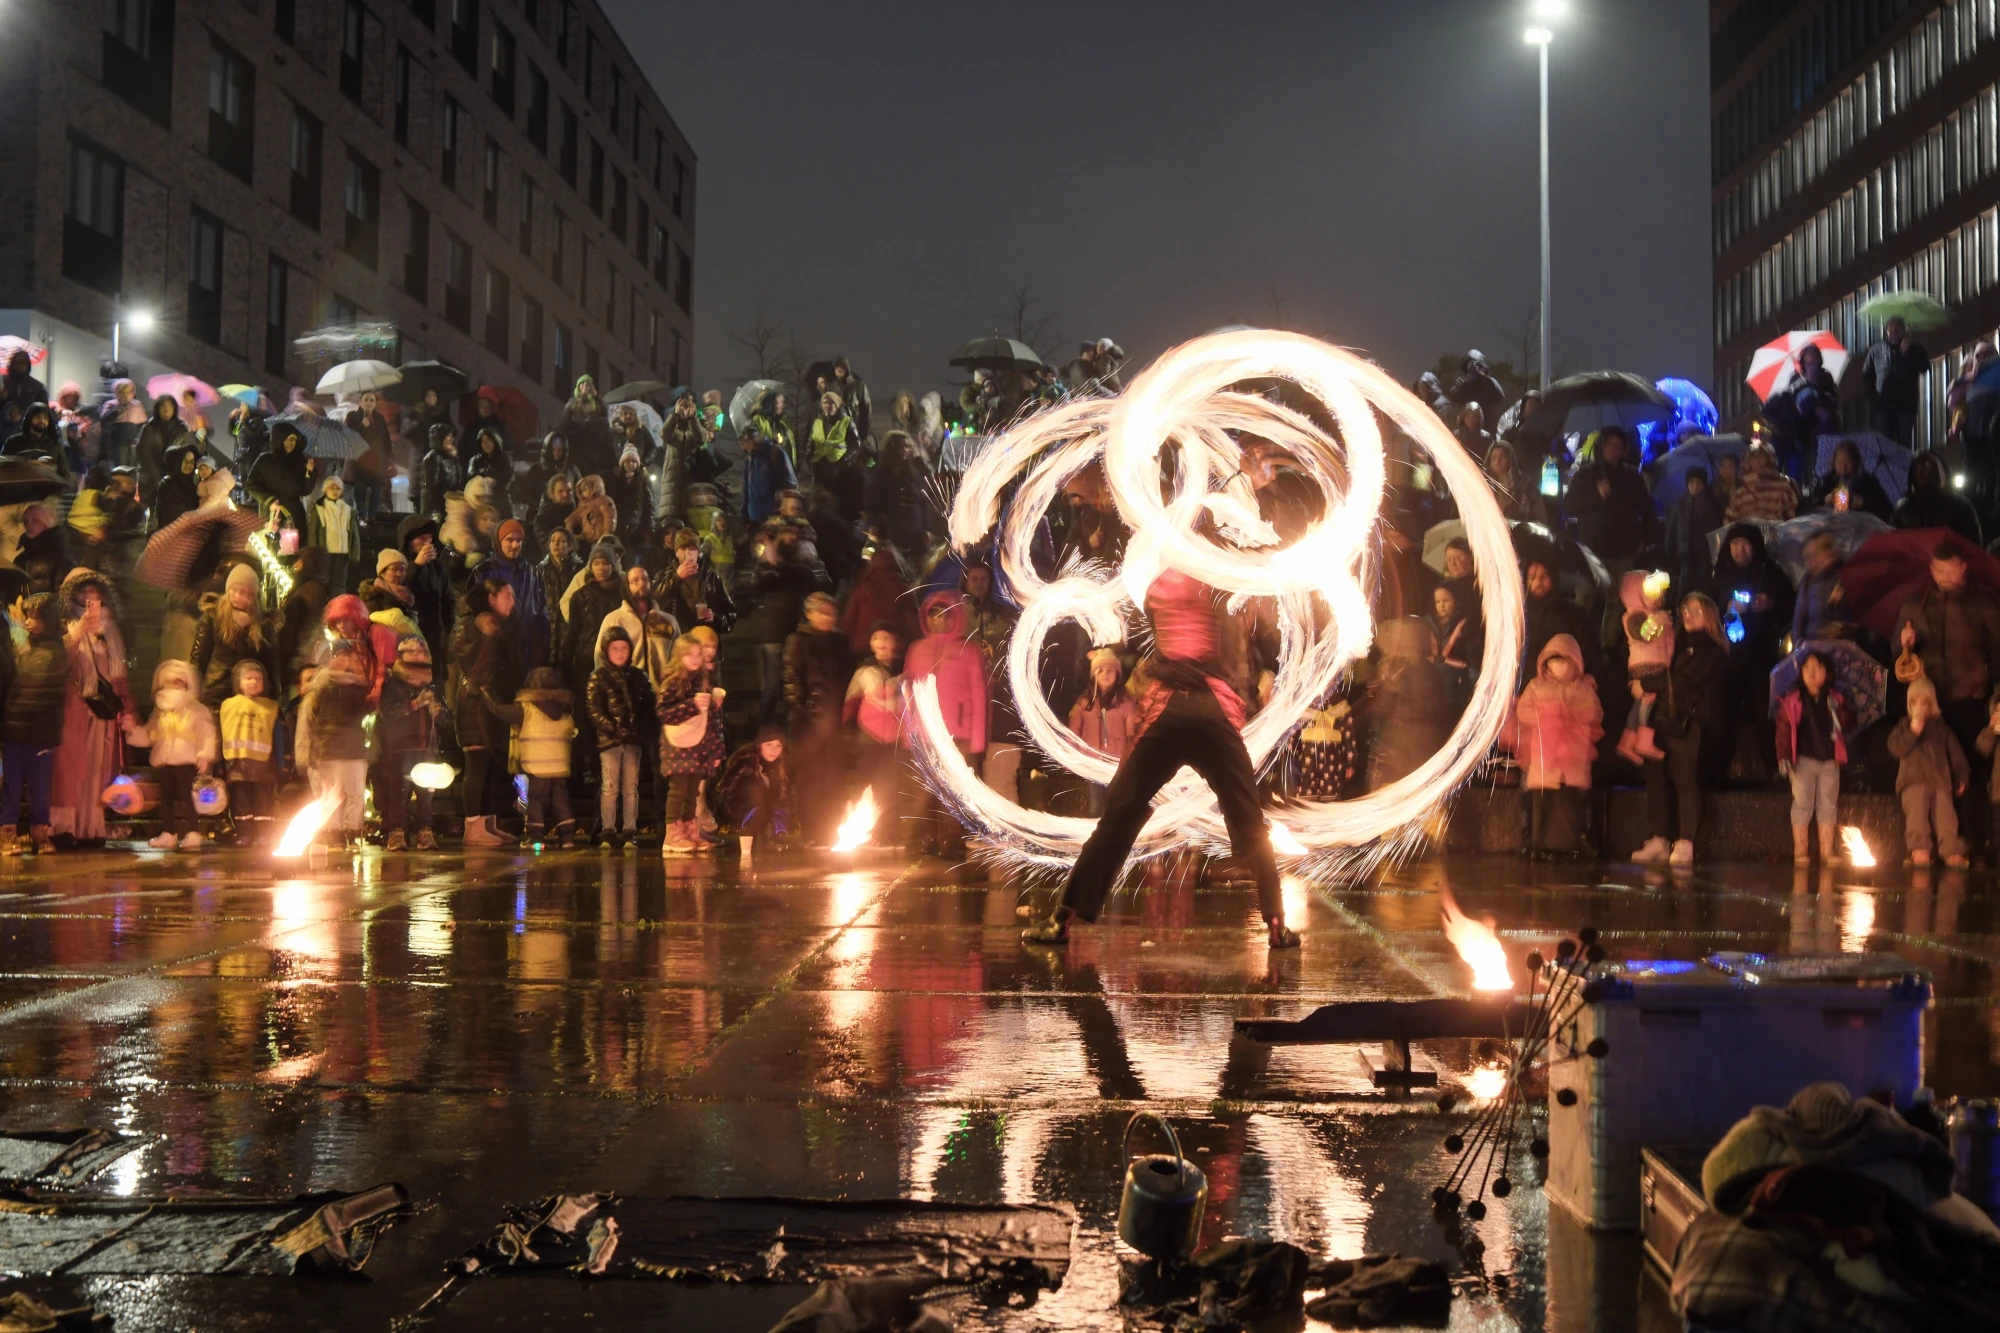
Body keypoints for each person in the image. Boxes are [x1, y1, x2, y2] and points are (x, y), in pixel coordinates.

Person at [1022, 568, 1297, 950]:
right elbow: (1234, 639)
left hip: (1174, 711)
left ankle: (1062, 920)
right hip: (1207, 711)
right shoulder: (1217, 578)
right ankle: (1277, 927)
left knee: (1118, 817)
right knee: (1249, 820)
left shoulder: (1159, 577)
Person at [1894, 541, 2000, 857]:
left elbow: (1998, 652)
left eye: (1948, 569)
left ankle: (1973, 843)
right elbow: (1898, 658)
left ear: (1963, 566)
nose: (1943, 575)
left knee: (1972, 770)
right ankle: (1938, 843)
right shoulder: (1917, 603)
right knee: (1936, 775)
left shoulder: (1983, 603)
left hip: (1970, 697)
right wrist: (1905, 644)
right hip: (1932, 704)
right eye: (1937, 569)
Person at [1632, 594, 1728, 867]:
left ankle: (1686, 840)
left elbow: (1685, 680)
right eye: (1686, 608)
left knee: (1684, 779)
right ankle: (1659, 838)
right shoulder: (1676, 642)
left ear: (1709, 616)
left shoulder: (1711, 649)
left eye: (1697, 611)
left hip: (1689, 722)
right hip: (1663, 718)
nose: (1689, 614)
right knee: (1654, 776)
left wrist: (1647, 684)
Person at [904, 589, 986, 857]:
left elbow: (979, 694)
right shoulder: (916, 649)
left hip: (956, 733)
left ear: (955, 618)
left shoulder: (968, 650)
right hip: (924, 733)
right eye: (934, 616)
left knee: (952, 791)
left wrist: (977, 739)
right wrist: (909, 732)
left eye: (944, 616)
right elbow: (910, 692)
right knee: (923, 791)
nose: (939, 621)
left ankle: (950, 843)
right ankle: (922, 841)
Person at [1508, 633, 1603, 859]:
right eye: (1554, 659)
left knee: (1570, 803)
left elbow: (1595, 713)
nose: (1558, 665)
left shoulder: (1582, 687)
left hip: (1572, 759)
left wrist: (1570, 715)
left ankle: (1568, 845)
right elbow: (1524, 711)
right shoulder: (1536, 685)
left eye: (1563, 660)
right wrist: (1546, 716)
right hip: (1544, 758)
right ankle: (1539, 844)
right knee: (1543, 803)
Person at [1712, 523, 1794, 776]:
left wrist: (1770, 603)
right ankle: (1718, 767)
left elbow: (1790, 605)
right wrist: (1727, 606)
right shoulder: (1721, 574)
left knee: (1764, 713)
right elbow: (1706, 605)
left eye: (1745, 543)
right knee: (1724, 711)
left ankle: (1773, 768)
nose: (1740, 549)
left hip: (1762, 654)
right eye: (1735, 543)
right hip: (1730, 656)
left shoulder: (1770, 573)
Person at [452, 578, 524, 847]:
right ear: (491, 598)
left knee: (491, 766)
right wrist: (478, 683)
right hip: (476, 703)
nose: (513, 602)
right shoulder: (480, 624)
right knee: (478, 765)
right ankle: (473, 827)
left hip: (488, 701)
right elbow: (476, 663)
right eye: (508, 595)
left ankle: (488, 825)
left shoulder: (499, 625)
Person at [123, 659, 219, 852]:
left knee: (186, 797)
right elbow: (151, 734)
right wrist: (133, 731)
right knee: (166, 798)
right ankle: (168, 832)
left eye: (178, 682)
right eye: (169, 682)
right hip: (165, 761)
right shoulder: (160, 712)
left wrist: (204, 755)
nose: (173, 686)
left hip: (185, 761)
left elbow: (206, 733)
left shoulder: (196, 709)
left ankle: (193, 832)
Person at [1774, 650, 1857, 866]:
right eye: (1807, 668)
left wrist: (1840, 711)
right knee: (1802, 803)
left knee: (1827, 804)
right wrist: (1783, 756)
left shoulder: (1835, 698)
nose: (1812, 673)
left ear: (1826, 672)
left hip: (1829, 759)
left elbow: (1848, 724)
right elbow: (1783, 729)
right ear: (1800, 672)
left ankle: (1826, 852)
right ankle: (1800, 850)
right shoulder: (1793, 700)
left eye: (1818, 668)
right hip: (1802, 761)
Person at [0, 594, 66, 855]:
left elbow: (36, 680)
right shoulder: (19, 647)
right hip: (16, 729)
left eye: (34, 617)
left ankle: (40, 833)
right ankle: (7, 833)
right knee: (12, 785)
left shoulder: (53, 650)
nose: (27, 622)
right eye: (25, 617)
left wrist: (19, 645)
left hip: (40, 731)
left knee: (39, 787)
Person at [784, 592, 850, 846]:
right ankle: (811, 829)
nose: (827, 617)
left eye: (831, 613)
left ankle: (832, 827)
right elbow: (792, 679)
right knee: (810, 779)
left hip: (833, 722)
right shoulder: (798, 641)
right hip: (807, 725)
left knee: (833, 779)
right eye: (822, 612)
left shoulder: (840, 642)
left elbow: (845, 678)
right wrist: (804, 710)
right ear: (809, 613)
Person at [294, 649, 371, 849]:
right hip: (328, 748)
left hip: (354, 749)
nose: (342, 660)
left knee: (355, 793)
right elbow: (306, 724)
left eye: (346, 655)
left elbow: (368, 710)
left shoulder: (358, 687)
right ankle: (333, 834)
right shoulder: (320, 688)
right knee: (332, 794)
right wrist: (306, 753)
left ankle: (352, 832)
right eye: (337, 655)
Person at [1888, 676, 1968, 867]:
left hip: (1940, 781)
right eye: (1914, 701)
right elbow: (1895, 748)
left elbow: (1957, 755)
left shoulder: (1941, 728)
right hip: (1913, 781)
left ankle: (1951, 851)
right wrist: (1913, 731)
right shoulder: (1904, 726)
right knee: (1917, 818)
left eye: (1925, 701)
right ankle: (1919, 850)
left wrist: (1961, 776)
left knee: (1946, 819)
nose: (1920, 706)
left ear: (1932, 704)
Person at [376, 636, 446, 851]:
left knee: (426, 791)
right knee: (399, 789)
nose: (417, 655)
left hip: (427, 745)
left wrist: (439, 711)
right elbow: (389, 710)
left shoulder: (431, 682)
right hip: (401, 746)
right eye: (411, 651)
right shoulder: (393, 684)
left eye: (421, 650)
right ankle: (397, 832)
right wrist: (415, 704)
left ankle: (425, 830)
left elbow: (444, 713)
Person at [656, 632, 722, 854]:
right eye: (689, 654)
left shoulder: (703, 682)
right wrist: (692, 705)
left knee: (693, 790)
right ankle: (673, 834)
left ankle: (689, 829)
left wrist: (715, 751)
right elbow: (663, 712)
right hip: (678, 745)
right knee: (679, 789)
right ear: (678, 657)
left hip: (699, 745)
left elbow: (710, 721)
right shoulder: (673, 682)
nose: (695, 659)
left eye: (698, 654)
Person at [588, 625, 654, 848]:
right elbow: (594, 709)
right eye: (614, 648)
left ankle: (629, 830)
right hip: (610, 741)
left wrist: (638, 729)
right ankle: (608, 830)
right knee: (610, 786)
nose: (619, 653)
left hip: (633, 741)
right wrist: (614, 728)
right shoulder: (598, 677)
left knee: (630, 788)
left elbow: (648, 706)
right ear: (606, 651)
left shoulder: (639, 677)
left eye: (623, 648)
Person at [1566, 426, 1654, 588]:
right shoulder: (1586, 475)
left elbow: (1647, 509)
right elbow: (1570, 505)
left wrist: (1644, 539)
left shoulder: (1632, 476)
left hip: (1625, 549)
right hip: (1594, 548)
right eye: (1609, 445)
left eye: (1618, 446)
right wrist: (1596, 493)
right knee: (1590, 595)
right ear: (1601, 447)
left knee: (1620, 598)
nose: (1614, 450)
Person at [844, 623, 907, 836]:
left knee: (889, 786)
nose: (882, 643)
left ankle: (885, 832)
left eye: (886, 638)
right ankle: (864, 831)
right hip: (870, 737)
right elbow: (879, 696)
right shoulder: (866, 670)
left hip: (894, 738)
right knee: (866, 784)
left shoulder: (901, 667)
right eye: (877, 638)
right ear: (871, 644)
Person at [190, 564, 277, 709]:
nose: (239, 597)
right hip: (215, 694)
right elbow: (199, 657)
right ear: (227, 589)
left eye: (247, 593)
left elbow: (271, 666)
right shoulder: (213, 616)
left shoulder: (263, 625)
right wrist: (193, 690)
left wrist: (274, 700)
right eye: (235, 590)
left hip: (250, 697)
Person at [1066, 647, 1137, 816]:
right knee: (1096, 807)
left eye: (1110, 670)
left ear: (1118, 674)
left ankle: (1115, 837)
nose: (1106, 674)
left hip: (1117, 764)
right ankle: (1098, 837)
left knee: (1116, 803)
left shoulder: (1126, 702)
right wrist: (1069, 756)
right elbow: (1074, 731)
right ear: (1094, 676)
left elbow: (1133, 733)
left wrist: (1134, 759)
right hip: (1094, 763)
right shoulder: (1085, 703)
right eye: (1100, 671)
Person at [513, 667, 579, 848]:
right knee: (560, 800)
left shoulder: (525, 707)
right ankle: (567, 839)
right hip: (560, 764)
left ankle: (536, 839)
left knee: (536, 800)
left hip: (536, 765)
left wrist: (487, 694)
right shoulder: (566, 707)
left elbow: (499, 711)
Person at [219, 658, 280, 846]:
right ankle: (245, 834)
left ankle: (264, 835)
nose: (253, 682)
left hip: (264, 764)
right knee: (241, 801)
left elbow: (278, 737)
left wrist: (282, 763)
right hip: (237, 764)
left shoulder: (271, 708)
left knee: (264, 800)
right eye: (248, 678)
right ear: (239, 681)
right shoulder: (229, 705)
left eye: (258, 679)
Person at [1521, 559, 1603, 688]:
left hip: (1565, 686)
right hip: (1527, 688)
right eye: (1532, 577)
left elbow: (1590, 652)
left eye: (1544, 576)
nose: (1538, 582)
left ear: (1554, 579)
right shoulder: (1519, 615)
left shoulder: (1573, 613)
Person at [488, 518, 550, 669]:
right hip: (497, 650)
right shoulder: (484, 572)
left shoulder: (533, 573)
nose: (515, 545)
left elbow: (542, 611)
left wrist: (544, 648)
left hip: (529, 650)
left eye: (519, 540)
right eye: (509, 540)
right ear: (499, 541)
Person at [714, 727, 791, 845]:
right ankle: (749, 833)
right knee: (753, 787)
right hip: (739, 810)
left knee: (778, 806)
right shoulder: (745, 762)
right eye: (769, 745)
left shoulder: (779, 766)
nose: (773, 750)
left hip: (762, 809)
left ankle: (777, 836)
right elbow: (725, 792)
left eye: (778, 746)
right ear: (759, 745)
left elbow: (781, 795)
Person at [1861, 317, 1929, 445]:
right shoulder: (1876, 350)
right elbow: (1866, 376)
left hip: (1906, 405)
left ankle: (1904, 465)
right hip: (1884, 406)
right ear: (1886, 330)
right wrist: (1875, 399)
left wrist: (1909, 352)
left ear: (1903, 330)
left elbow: (1924, 367)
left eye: (1897, 327)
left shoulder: (1914, 348)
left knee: (1904, 443)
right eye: (1890, 327)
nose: (1893, 330)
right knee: (1886, 443)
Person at [1892, 452, 1982, 545]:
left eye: (1930, 469)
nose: (1923, 471)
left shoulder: (1960, 506)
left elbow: (1972, 545)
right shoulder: (1903, 509)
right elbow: (1894, 545)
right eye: (1918, 468)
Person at [1662, 466, 1723, 596]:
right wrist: (1669, 550)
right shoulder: (1680, 504)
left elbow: (1715, 531)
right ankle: (1681, 611)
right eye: (1691, 482)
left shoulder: (1710, 505)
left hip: (1703, 554)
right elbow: (1672, 529)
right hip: (1684, 552)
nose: (1694, 486)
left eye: (1698, 482)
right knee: (1684, 583)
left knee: (1702, 586)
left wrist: (1715, 556)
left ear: (1703, 484)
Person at [1428, 582, 1480, 721]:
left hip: (1457, 686)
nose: (1441, 605)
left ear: (1456, 602)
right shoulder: (1427, 624)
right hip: (1432, 686)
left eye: (1446, 600)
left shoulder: (1465, 625)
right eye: (1437, 601)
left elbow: (1471, 657)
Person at [1805, 441, 1892, 520]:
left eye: (1847, 462)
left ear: (1855, 462)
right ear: (1833, 462)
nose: (1843, 467)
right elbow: (1810, 503)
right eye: (1839, 462)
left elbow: (1886, 510)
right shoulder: (1827, 481)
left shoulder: (1868, 482)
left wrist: (1865, 503)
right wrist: (1824, 500)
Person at [1790, 532, 1851, 643]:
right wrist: (1799, 650)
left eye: (1814, 556)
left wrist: (1845, 628)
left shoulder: (1849, 576)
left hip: (1845, 648)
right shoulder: (1807, 582)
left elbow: (1864, 619)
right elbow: (1798, 621)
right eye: (1806, 558)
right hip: (1813, 649)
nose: (1809, 563)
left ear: (1830, 552)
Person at [306, 474, 360, 592]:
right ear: (325, 490)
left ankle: (338, 603)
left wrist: (355, 551)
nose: (335, 491)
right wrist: (313, 550)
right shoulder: (319, 508)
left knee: (340, 581)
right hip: (325, 550)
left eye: (338, 488)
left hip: (342, 550)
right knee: (325, 579)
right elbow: (313, 531)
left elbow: (353, 532)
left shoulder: (348, 509)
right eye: (331, 488)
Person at [343, 390, 393, 518]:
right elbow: (348, 435)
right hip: (360, 461)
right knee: (359, 490)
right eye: (366, 400)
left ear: (376, 403)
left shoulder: (380, 418)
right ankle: (361, 515)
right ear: (361, 402)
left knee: (377, 491)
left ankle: (371, 516)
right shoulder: (352, 416)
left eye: (372, 400)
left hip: (377, 461)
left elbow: (385, 438)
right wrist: (361, 426)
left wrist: (388, 457)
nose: (369, 403)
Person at [135, 396, 190, 505]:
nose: (166, 409)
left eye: (169, 406)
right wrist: (154, 472)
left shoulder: (181, 430)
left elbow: (184, 452)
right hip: (150, 476)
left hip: (172, 477)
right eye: (163, 406)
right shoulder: (149, 428)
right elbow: (142, 451)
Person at [1724, 444, 1800, 523]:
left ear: (1769, 459)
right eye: (1753, 457)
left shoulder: (1784, 485)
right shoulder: (1741, 491)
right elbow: (1730, 521)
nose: (1756, 461)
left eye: (1761, 456)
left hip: (1777, 533)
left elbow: (1793, 518)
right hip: (1749, 533)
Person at [515, 432, 578, 517]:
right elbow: (527, 494)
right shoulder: (536, 470)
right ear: (548, 449)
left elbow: (579, 493)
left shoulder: (572, 470)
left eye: (560, 449)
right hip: (540, 515)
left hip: (567, 516)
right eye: (553, 449)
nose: (557, 452)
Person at [605, 443, 653, 551]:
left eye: (633, 461)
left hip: (636, 531)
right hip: (617, 528)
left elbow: (649, 507)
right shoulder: (613, 481)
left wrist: (648, 528)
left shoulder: (642, 481)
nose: (630, 464)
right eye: (627, 461)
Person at [561, 375, 612, 475]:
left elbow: (604, 414)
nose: (585, 387)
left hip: (592, 437)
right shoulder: (573, 401)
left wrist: (597, 396)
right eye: (582, 384)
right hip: (576, 437)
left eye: (588, 384)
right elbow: (565, 417)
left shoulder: (596, 403)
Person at [151, 443, 201, 532]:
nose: (189, 465)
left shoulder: (191, 482)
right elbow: (174, 515)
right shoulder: (168, 484)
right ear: (176, 462)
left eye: (192, 461)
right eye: (185, 461)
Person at [417, 424, 463, 518]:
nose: (451, 439)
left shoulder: (451, 459)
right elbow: (431, 487)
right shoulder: (432, 458)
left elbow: (457, 482)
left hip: (448, 508)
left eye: (451, 436)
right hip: (435, 510)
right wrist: (436, 510)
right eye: (447, 436)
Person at [1447, 350, 1505, 420]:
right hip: (1466, 424)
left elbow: (1500, 398)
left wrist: (1484, 376)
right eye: (1470, 365)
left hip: (1485, 424)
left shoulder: (1489, 382)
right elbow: (1452, 400)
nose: (1474, 368)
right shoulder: (1463, 382)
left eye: (1478, 365)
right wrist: (1460, 386)